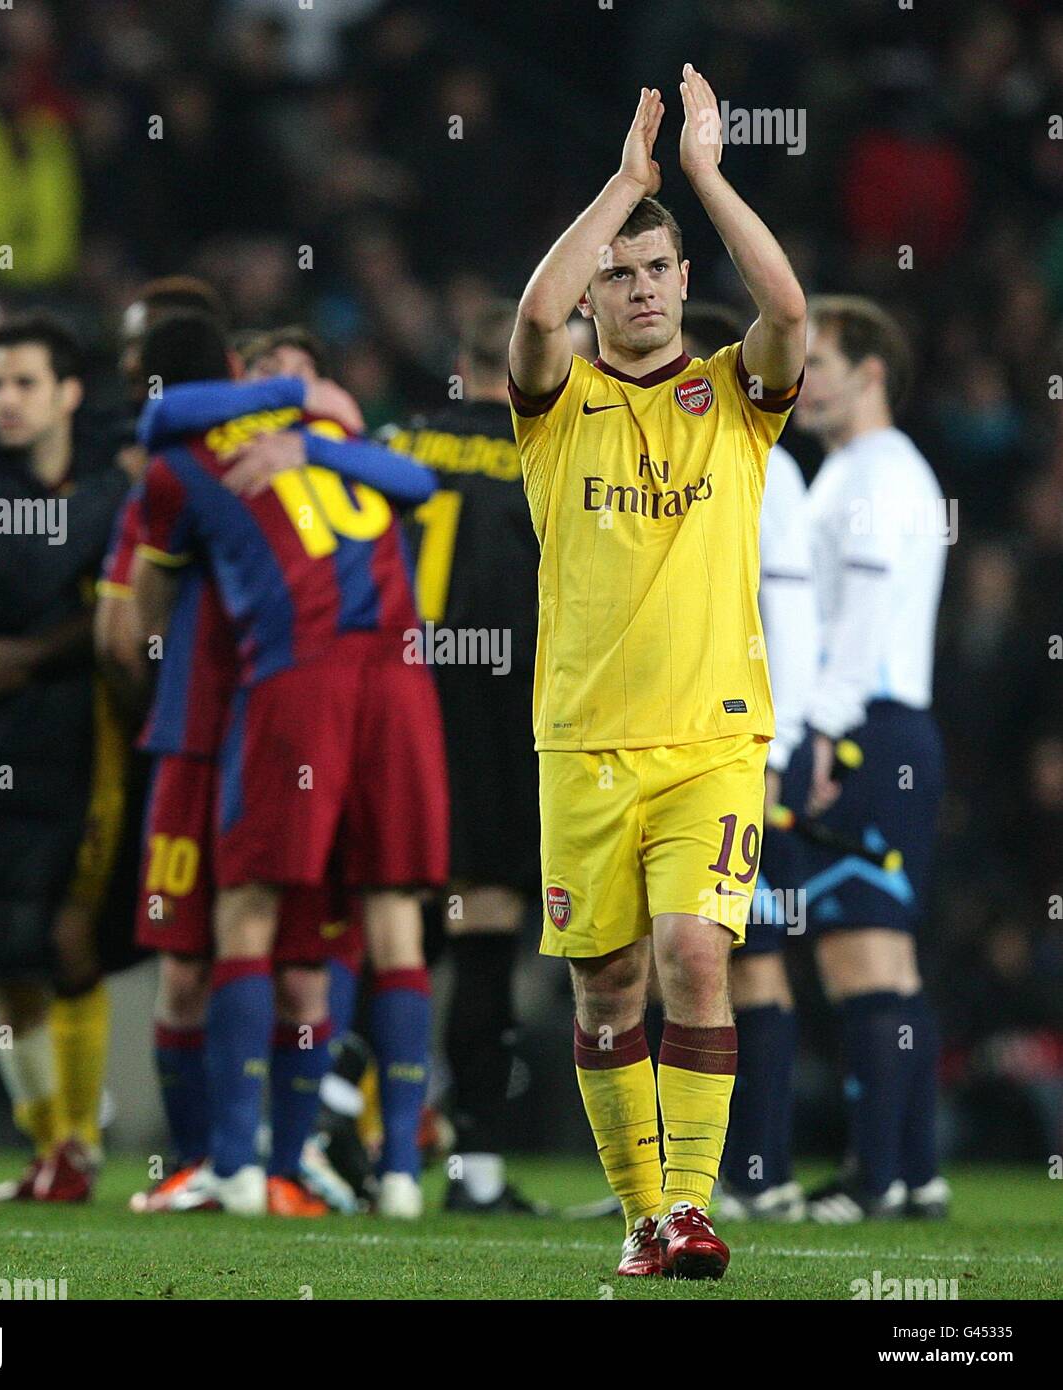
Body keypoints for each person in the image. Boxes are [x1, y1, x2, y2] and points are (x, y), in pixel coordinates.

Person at [508, 74, 805, 1279]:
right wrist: (628, 185)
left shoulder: (735, 394)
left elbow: (789, 307)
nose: (635, 289)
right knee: (607, 989)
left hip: (713, 741)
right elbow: (532, 317)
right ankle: (642, 1214)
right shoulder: (556, 402)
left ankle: (687, 1205)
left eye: (655, 270)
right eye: (616, 275)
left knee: (695, 953)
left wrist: (706, 180)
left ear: (685, 283)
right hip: (582, 743)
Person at [132, 311, 447, 1218]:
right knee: (390, 918)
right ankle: (395, 1175)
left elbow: (159, 426)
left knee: (250, 910)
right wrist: (311, 410)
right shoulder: (336, 435)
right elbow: (414, 480)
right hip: (400, 673)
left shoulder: (184, 462)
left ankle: (236, 1161)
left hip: (299, 678)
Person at [0, 314, 131, 1203]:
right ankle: (51, 1146)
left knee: (72, 938)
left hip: (97, 743)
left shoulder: (116, 475)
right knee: (6, 958)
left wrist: (43, 650)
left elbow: (138, 603)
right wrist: (110, 503)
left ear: (68, 394)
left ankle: (77, 1145)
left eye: (25, 383)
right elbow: (10, 576)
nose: (3, 400)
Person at [787, 295, 949, 1223]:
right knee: (893, 964)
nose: (802, 380)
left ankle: (872, 1178)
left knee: (864, 962)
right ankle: (915, 1172)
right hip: (890, 727)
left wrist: (822, 727)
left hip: (868, 727)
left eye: (820, 361)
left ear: (872, 371)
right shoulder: (866, 470)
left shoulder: (874, 476)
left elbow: (866, 617)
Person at [383, 300, 545, 1214]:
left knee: (390, 916)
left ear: (458, 361)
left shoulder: (401, 445)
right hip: (499, 709)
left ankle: (352, 1121)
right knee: (485, 920)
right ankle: (473, 1161)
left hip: (395, 700)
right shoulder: (545, 449)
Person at [680, 306, 817, 1223]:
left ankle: (763, 1174)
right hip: (694, 739)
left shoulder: (765, 460)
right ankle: (715, 1178)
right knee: (707, 961)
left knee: (752, 965)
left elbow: (792, 611)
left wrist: (786, 741)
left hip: (752, 746)